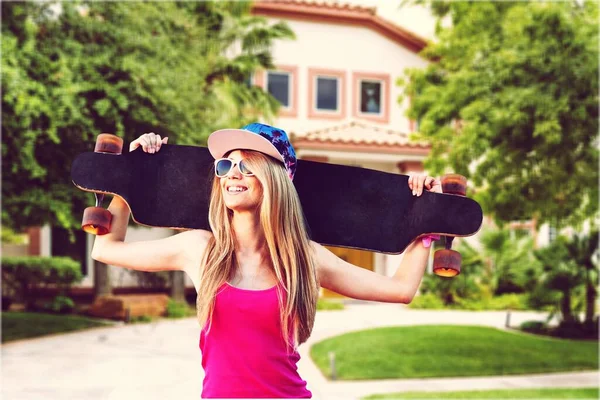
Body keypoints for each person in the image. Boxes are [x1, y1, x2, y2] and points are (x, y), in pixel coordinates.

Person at [91, 122, 441, 399]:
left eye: (247, 165)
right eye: (226, 164)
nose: (232, 173)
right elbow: (106, 249)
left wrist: (427, 221)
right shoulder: (200, 251)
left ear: (276, 179)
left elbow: (400, 289)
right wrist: (130, 179)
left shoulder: (303, 257)